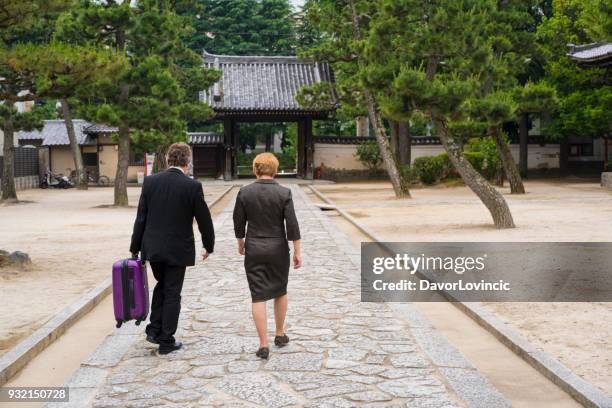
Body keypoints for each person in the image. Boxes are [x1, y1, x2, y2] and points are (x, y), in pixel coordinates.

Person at [130, 142, 214, 355]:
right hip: (178, 248)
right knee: (172, 292)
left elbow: (141, 218)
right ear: (188, 161)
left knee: (163, 285)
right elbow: (204, 219)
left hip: (153, 247)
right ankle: (166, 340)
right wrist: (208, 245)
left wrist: (135, 248)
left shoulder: (150, 182)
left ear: (168, 159)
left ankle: (154, 329)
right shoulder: (192, 186)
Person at [233, 152, 302, 359]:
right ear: (275, 169)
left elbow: (238, 221)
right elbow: (292, 225)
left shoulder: (244, 192)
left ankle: (263, 344)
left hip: (254, 247)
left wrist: (241, 240)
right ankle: (280, 334)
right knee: (280, 290)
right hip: (278, 247)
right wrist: (297, 251)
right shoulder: (284, 192)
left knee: (258, 295)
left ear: (255, 169)